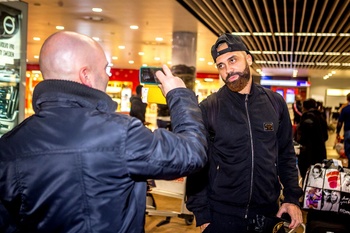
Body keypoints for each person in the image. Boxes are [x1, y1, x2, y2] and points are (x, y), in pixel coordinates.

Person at [0, 31, 207, 233]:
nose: (108, 76)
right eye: (105, 68)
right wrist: (179, 94)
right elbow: (191, 152)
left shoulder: (8, 145)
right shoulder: (121, 133)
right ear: (86, 75)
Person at [186, 33, 303, 233]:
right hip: (222, 216)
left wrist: (292, 198)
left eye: (233, 60)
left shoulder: (275, 103)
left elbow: (285, 154)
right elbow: (198, 164)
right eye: (220, 65)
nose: (227, 70)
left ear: (248, 58)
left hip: (267, 214)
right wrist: (202, 215)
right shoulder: (209, 108)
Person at [296, 98, 329, 180]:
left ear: (304, 107)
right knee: (318, 177)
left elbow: (302, 138)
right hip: (320, 152)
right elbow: (326, 136)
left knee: (307, 178)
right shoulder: (321, 116)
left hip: (307, 154)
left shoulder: (307, 117)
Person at [336, 93, 350, 165]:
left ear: (347, 99)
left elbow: (340, 122)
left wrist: (337, 133)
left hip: (348, 132)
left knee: (348, 150)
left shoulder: (345, 109)